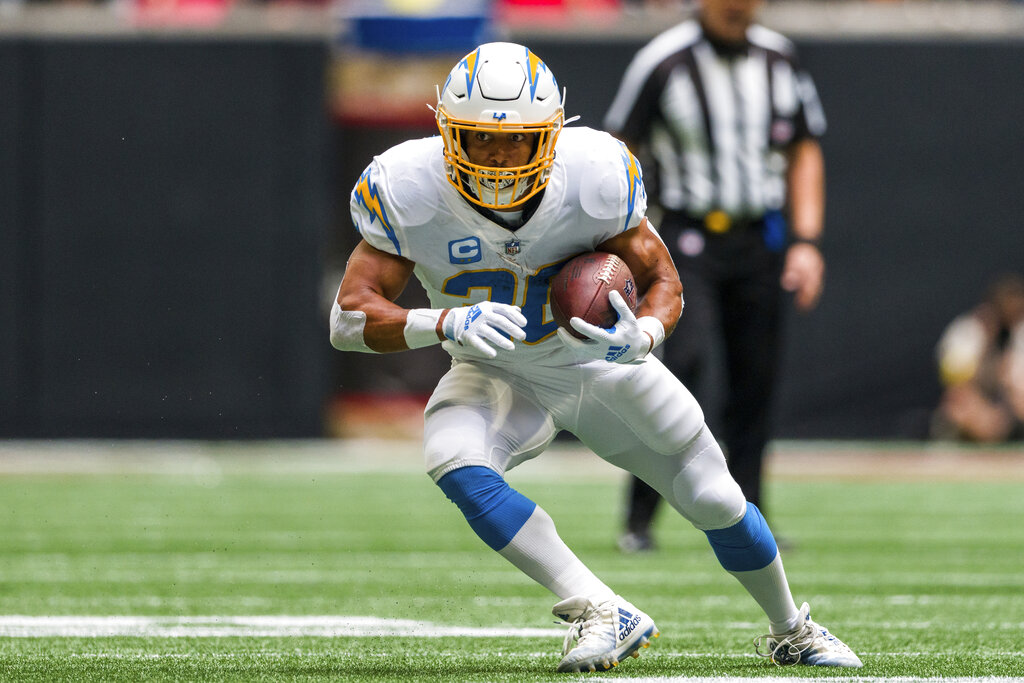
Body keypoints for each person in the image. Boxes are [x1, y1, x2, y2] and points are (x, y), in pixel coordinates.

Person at [329, 42, 860, 671]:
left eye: (517, 142)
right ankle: (600, 607)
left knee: (715, 498)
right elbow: (349, 318)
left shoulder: (596, 176)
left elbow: (664, 281)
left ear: (550, 137)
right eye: (480, 140)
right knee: (454, 456)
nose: (499, 159)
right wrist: (440, 320)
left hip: (597, 362)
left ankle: (791, 628)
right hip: (499, 368)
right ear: (447, 134)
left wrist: (647, 336)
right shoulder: (407, 186)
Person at [603, 0, 827, 553]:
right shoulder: (664, 60)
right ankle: (640, 516)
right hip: (685, 239)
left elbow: (804, 150)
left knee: (756, 381)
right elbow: (615, 152)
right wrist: (628, 239)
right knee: (681, 367)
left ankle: (749, 516)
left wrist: (806, 241)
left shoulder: (781, 59)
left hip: (759, 239)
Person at [932, 273, 1024, 442]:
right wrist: (983, 414)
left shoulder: (1018, 334)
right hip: (974, 407)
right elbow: (957, 387)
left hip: (1007, 411)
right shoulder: (968, 333)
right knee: (957, 408)